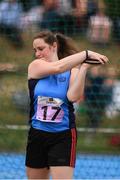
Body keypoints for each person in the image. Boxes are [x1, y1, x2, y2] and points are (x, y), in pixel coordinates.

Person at [25, 30, 108, 179]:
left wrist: (83, 68)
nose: (37, 53)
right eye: (35, 50)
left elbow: (73, 96)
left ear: (54, 46)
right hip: (37, 135)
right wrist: (86, 53)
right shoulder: (35, 66)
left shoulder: (71, 72)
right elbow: (57, 67)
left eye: (41, 48)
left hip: (63, 136)